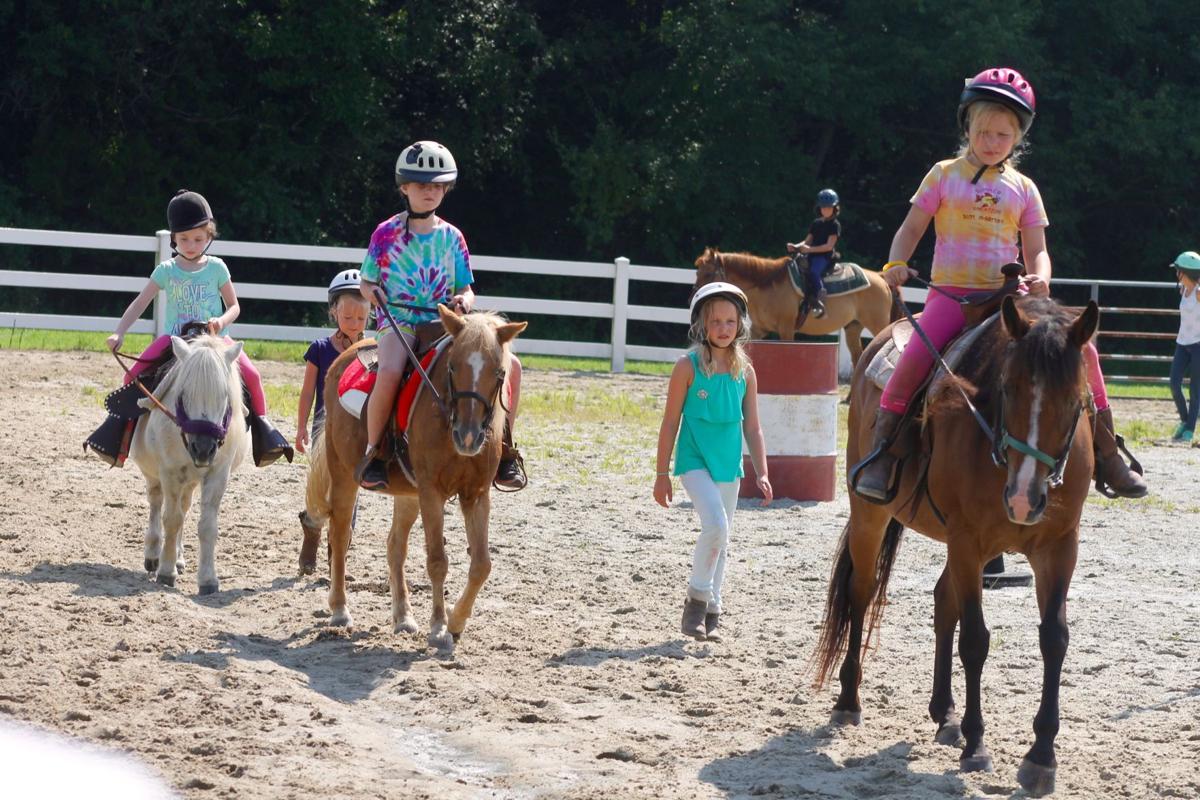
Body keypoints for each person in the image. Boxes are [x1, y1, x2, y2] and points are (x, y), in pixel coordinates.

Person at [854, 66, 1147, 500]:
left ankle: (1107, 451)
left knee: (1083, 350)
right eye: (984, 131)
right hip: (952, 296)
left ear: (1018, 139)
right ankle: (886, 451)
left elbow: (1038, 249)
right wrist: (896, 261)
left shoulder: (1024, 188)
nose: (991, 142)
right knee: (914, 358)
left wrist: (1041, 277)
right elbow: (911, 229)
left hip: (1011, 301)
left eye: (1003, 136)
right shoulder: (942, 174)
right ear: (967, 126)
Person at [355, 140, 528, 491]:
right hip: (399, 321)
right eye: (421, 185)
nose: (429, 192)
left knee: (512, 367)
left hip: (447, 323)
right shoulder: (386, 233)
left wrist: (463, 301)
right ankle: (375, 451)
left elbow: (467, 287)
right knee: (389, 371)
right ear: (404, 188)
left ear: (445, 189)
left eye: (436, 185)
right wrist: (374, 293)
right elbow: (366, 281)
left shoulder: (453, 238)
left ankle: (505, 446)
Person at [99, 189, 292, 467]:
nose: (191, 244)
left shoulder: (217, 268)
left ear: (209, 237)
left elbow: (234, 306)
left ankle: (265, 432)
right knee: (132, 378)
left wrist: (221, 322)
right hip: (174, 339)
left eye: (198, 238)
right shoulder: (166, 270)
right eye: (184, 239)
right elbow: (140, 303)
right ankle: (119, 437)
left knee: (253, 375)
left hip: (215, 340)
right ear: (174, 239)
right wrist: (120, 331)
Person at [654, 281, 772, 642]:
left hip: (728, 464)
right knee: (716, 527)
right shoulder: (686, 367)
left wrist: (763, 471)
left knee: (722, 538)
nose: (723, 328)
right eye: (716, 321)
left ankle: (712, 612)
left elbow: (752, 426)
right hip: (694, 461)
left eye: (730, 322)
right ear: (702, 325)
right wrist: (661, 474)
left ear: (740, 325)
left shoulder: (745, 372)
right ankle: (696, 601)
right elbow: (671, 421)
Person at [296, 269, 371, 454]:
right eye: (347, 317)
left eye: (361, 318)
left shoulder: (371, 352)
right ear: (334, 312)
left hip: (359, 434)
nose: (354, 323)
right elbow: (307, 393)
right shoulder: (319, 350)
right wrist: (301, 427)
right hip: (324, 434)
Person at [787, 188, 842, 317]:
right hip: (811, 254)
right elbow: (807, 241)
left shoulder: (835, 225)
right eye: (823, 207)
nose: (825, 210)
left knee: (813, 272)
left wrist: (809, 250)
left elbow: (829, 246)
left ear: (834, 208)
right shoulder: (816, 223)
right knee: (794, 268)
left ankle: (820, 300)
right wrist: (795, 246)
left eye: (829, 207)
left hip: (824, 257)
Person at [1169, 251, 1200, 443]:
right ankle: (1184, 419)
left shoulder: (1198, 293)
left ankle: (1190, 428)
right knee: (1174, 383)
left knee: (1195, 390)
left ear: (1185, 272)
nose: (1176, 274)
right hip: (1182, 343)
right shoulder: (1183, 290)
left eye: (1178, 270)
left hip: (1198, 345)